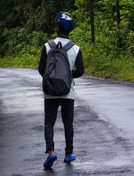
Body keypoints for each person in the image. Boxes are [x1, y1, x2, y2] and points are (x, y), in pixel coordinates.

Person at [38, 13, 84, 169]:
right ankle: (68, 154)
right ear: (69, 30)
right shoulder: (75, 48)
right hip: (67, 92)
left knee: (49, 122)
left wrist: (51, 79)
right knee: (68, 123)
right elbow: (81, 71)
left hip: (50, 91)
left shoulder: (47, 46)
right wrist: (68, 77)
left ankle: (51, 152)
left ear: (57, 28)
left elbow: (41, 69)